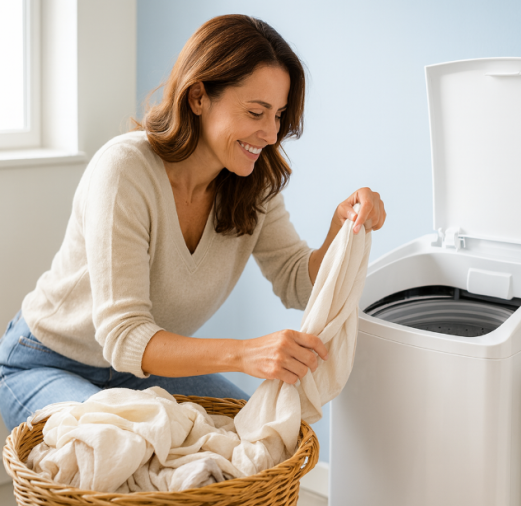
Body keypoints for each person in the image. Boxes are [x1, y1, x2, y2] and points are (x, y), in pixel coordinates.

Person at [0, 15, 386, 431]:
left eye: (278, 115)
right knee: (122, 449)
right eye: (256, 112)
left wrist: (340, 230)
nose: (271, 134)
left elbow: (297, 282)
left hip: (138, 371)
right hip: (47, 363)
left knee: (266, 434)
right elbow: (125, 337)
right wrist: (244, 353)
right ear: (199, 97)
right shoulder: (125, 170)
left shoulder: (253, 183)